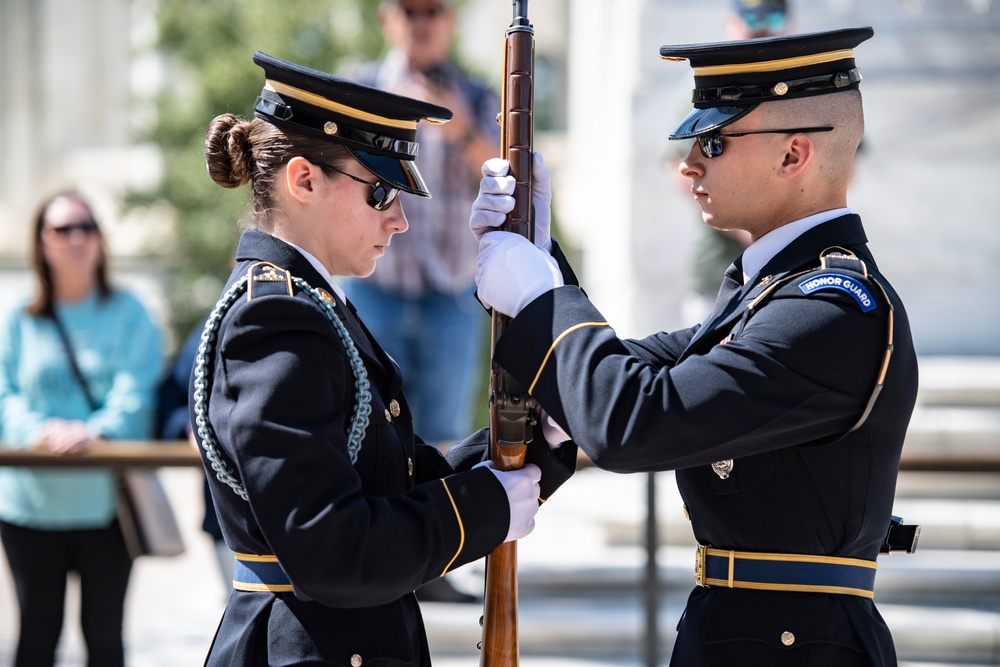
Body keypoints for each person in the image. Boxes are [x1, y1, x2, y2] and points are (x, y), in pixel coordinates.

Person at [471, 27, 919, 666]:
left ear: (794, 155)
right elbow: (621, 378)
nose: (688, 164)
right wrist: (540, 257)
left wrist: (543, 299)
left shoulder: (830, 309)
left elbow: (635, 424)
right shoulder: (768, 293)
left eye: (714, 141)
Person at [192, 51, 576, 666]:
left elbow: (399, 486)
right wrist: (484, 509)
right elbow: (332, 550)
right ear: (303, 180)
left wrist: (540, 431)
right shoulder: (276, 319)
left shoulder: (313, 308)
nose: (399, 221)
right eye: (378, 194)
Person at [0, 192, 164, 667]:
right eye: (63, 229)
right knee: (35, 636)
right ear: (40, 243)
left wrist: (93, 432)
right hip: (29, 507)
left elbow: (137, 392)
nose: (77, 238)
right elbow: (4, 394)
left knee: (105, 639)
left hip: (106, 507)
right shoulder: (17, 318)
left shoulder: (130, 312)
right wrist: (40, 430)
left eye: (86, 227)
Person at [342, 0, 500, 452]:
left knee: (442, 437)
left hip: (449, 294)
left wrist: (463, 130)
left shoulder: (476, 95)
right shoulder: (361, 87)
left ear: (449, 21)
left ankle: (432, 525)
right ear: (387, 19)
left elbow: (510, 181)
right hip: (372, 286)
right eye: (410, 11)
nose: (421, 22)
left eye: (432, 10)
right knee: (364, 425)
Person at [674, 0, 792, 322]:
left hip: (793, 266)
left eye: (772, 16)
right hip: (720, 271)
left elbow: (841, 163)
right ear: (731, 22)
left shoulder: (808, 88)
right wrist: (753, 226)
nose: (761, 27)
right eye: (749, 17)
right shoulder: (705, 89)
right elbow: (681, 168)